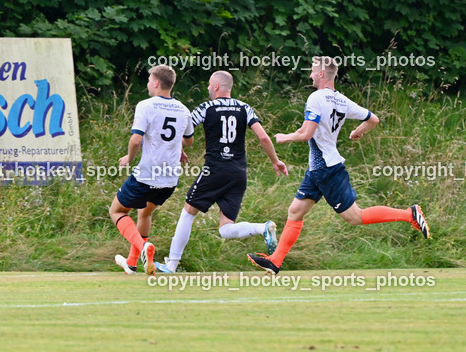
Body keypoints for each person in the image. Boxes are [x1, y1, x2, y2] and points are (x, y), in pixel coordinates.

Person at [248, 56, 429, 274]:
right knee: (295, 211)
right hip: (319, 169)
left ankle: (409, 214)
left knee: (355, 217)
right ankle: (276, 261)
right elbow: (374, 119)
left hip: (326, 168)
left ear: (322, 73)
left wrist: (284, 137)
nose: (311, 74)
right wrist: (358, 132)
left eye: (314, 71)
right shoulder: (342, 100)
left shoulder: (316, 98)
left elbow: (306, 134)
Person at [157, 70, 288, 273]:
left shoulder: (206, 107)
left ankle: (171, 265)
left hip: (215, 169)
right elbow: (263, 137)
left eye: (210, 85)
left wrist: (180, 148)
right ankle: (263, 228)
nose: (208, 88)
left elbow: (185, 131)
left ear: (216, 86)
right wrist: (276, 161)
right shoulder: (245, 108)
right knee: (226, 229)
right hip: (238, 172)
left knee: (188, 212)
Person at [111, 65, 193, 275]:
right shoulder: (184, 109)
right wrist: (179, 148)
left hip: (147, 175)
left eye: (149, 80)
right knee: (144, 213)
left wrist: (129, 158)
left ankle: (143, 247)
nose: (148, 83)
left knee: (117, 211)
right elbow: (188, 140)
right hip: (169, 179)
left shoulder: (146, 105)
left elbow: (136, 138)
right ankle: (131, 263)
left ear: (156, 83)